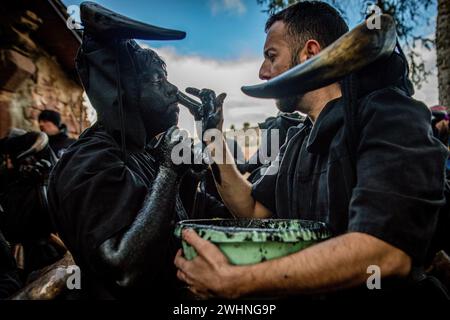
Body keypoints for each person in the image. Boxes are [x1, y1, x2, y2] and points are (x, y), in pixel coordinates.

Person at [174, 1, 449, 300]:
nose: (263, 71)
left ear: (310, 52)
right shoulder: (297, 140)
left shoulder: (389, 115)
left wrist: (238, 281)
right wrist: (212, 134)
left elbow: (384, 252)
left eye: (271, 56)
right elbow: (252, 210)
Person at [47, 2, 224, 299]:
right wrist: (169, 171)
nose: (173, 91)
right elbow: (123, 270)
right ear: (127, 91)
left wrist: (211, 136)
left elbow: (215, 216)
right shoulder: (88, 160)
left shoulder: (147, 153)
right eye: (159, 80)